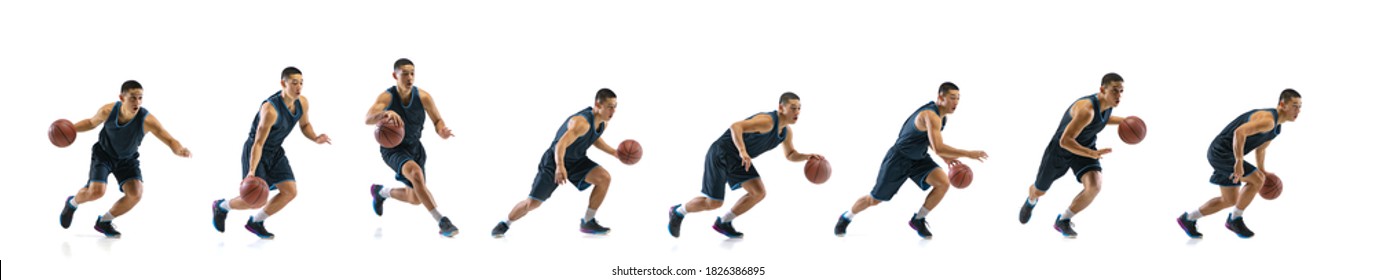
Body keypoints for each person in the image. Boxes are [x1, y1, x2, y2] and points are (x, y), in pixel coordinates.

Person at [833, 82, 987, 238]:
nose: (956, 102)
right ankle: (846, 217)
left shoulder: (942, 117)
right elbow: (939, 146)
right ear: (940, 97)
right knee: (874, 199)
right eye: (952, 98)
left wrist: (945, 159)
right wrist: (969, 153)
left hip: (919, 158)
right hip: (898, 159)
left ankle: (918, 219)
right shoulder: (930, 115)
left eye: (958, 98)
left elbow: (930, 142)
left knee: (943, 183)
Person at [667, 92, 825, 238]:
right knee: (713, 202)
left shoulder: (786, 132)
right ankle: (678, 212)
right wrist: (743, 151)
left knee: (758, 192)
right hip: (722, 152)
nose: (797, 112)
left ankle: (724, 222)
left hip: (738, 158)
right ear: (781, 108)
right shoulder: (767, 121)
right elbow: (736, 126)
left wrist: (807, 156)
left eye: (799, 108)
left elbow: (790, 154)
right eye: (793, 108)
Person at [58, 80, 192, 238]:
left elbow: (169, 139)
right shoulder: (107, 111)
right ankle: (72, 203)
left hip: (127, 160)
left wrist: (179, 149)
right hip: (104, 154)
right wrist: (71, 129)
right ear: (122, 98)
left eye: (140, 97)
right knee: (96, 192)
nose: (137, 102)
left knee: (136, 194)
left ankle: (104, 222)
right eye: (133, 98)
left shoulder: (147, 120)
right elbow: (90, 123)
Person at [211, 67, 332, 239]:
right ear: (283, 83)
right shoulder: (270, 110)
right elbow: (258, 143)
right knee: (253, 199)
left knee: (290, 191)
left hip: (275, 151)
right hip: (256, 150)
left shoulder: (302, 102)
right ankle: (222, 206)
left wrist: (315, 137)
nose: (299, 87)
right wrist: (252, 172)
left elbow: (305, 125)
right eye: (294, 83)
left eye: (301, 83)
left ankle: (256, 222)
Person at [492, 88, 630, 238]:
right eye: (610, 106)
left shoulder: (602, 123)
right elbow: (560, 145)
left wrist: (614, 153)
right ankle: (505, 223)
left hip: (576, 160)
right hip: (554, 161)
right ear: (598, 104)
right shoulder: (581, 123)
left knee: (604, 178)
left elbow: (593, 138)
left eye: (615, 106)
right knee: (532, 204)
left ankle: (588, 221)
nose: (613, 111)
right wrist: (560, 166)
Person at [1017, 73, 1131, 238]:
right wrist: (1091, 153)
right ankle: (1031, 201)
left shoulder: (1108, 104)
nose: (1119, 95)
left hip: (1085, 147)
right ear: (1102, 90)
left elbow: (1103, 119)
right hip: (1060, 150)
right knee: (1039, 190)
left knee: (1095, 186)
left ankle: (1063, 220)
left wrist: (1126, 121)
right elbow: (1065, 141)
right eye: (1115, 91)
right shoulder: (1087, 110)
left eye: (1121, 91)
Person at [1176, 89, 1301, 239]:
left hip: (1227, 154)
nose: (1298, 110)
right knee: (1257, 179)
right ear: (1282, 104)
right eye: (1294, 105)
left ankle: (1189, 218)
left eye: (1300, 106)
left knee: (1230, 200)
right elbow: (1239, 133)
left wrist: (1263, 170)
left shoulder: (1276, 128)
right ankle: (1235, 219)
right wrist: (1239, 161)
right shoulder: (1268, 120)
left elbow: (1261, 149)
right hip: (1221, 152)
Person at [367, 58, 459, 237]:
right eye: (405, 74)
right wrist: (385, 113)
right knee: (416, 174)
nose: (410, 77)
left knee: (416, 197)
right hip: (392, 149)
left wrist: (441, 131)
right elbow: (367, 118)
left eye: (412, 73)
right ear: (395, 75)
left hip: (415, 148)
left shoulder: (423, 96)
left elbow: (437, 120)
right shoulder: (387, 97)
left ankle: (381, 192)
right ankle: (442, 221)